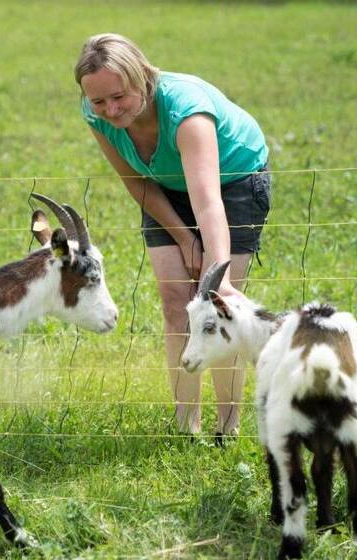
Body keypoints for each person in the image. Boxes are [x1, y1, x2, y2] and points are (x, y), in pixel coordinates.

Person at [74, 33, 271, 442]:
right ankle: (186, 426)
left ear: (143, 77)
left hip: (232, 182)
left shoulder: (186, 111)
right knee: (174, 302)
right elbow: (135, 181)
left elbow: (208, 200)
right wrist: (184, 239)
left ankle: (227, 428)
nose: (110, 110)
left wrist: (220, 278)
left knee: (218, 308)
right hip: (161, 186)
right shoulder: (96, 115)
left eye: (119, 97)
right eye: (99, 101)